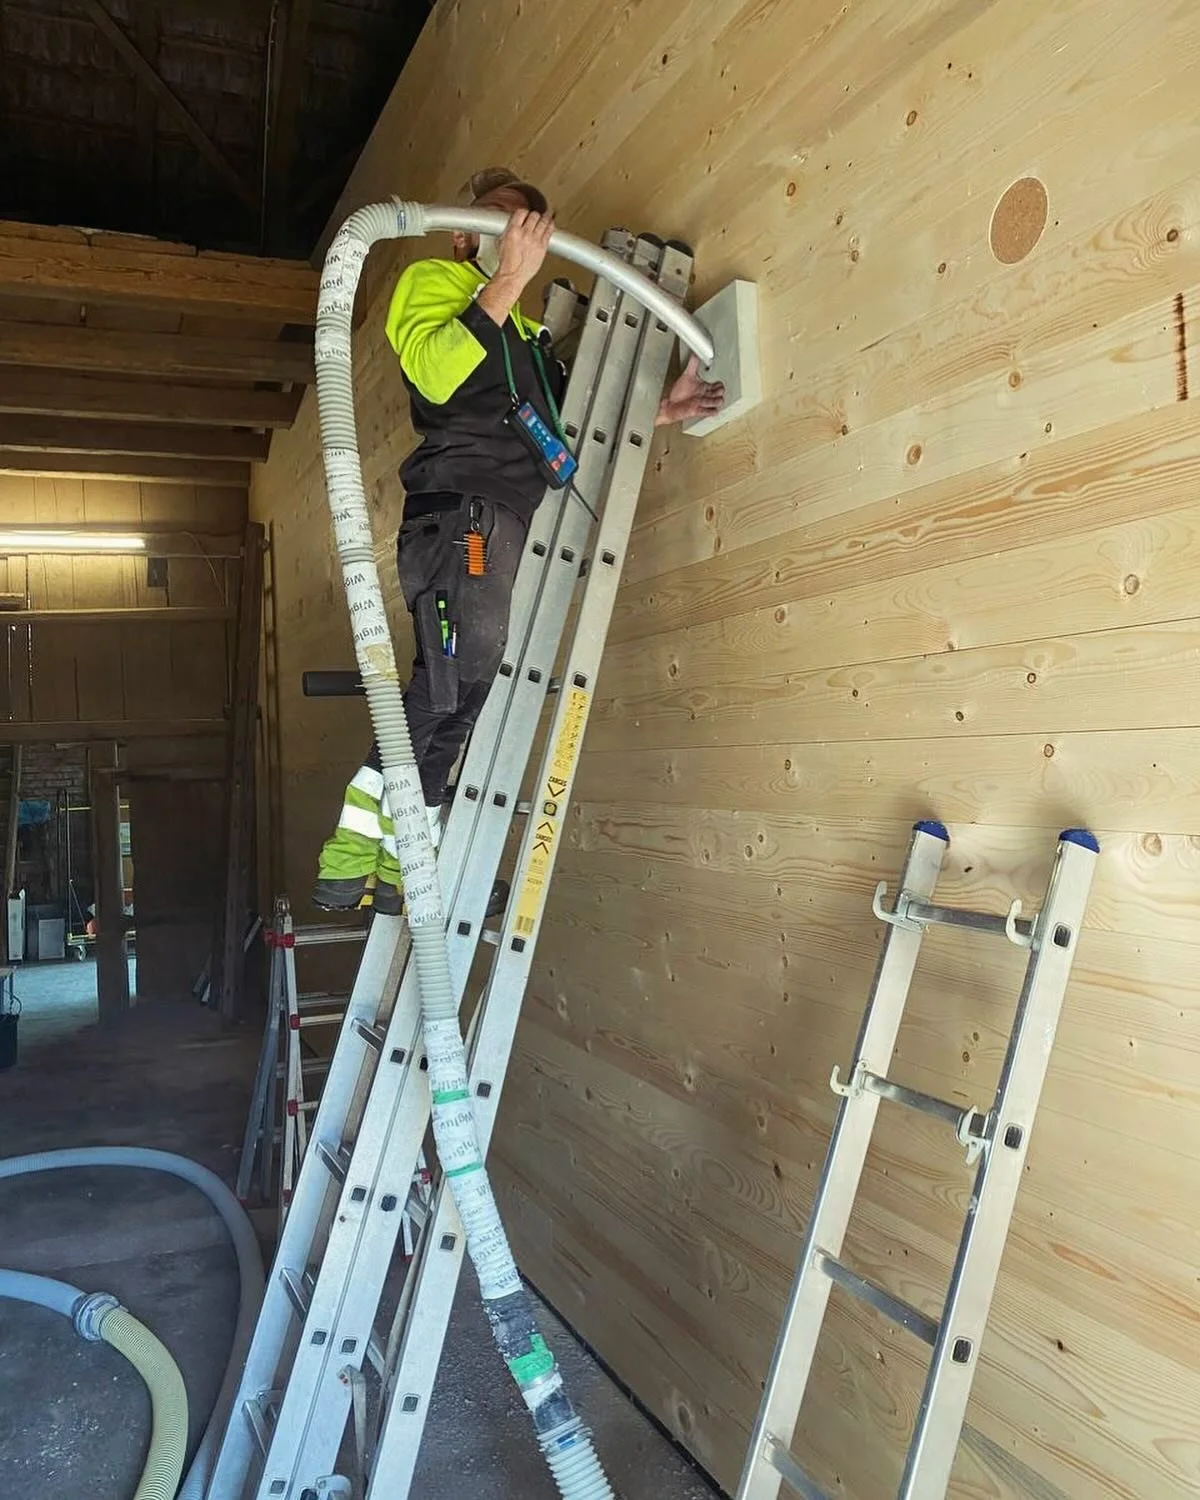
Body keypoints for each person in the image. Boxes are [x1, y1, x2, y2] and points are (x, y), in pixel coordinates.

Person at [313, 167, 724, 914]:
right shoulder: (433, 282)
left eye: (526, 222)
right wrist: (505, 281)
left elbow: (563, 429)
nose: (512, 230)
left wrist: (661, 411)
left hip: (496, 523)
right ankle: (349, 852)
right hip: (461, 516)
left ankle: (405, 863)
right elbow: (436, 377)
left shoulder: (528, 341)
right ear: (465, 233)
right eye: (498, 217)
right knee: (449, 684)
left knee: (465, 694)